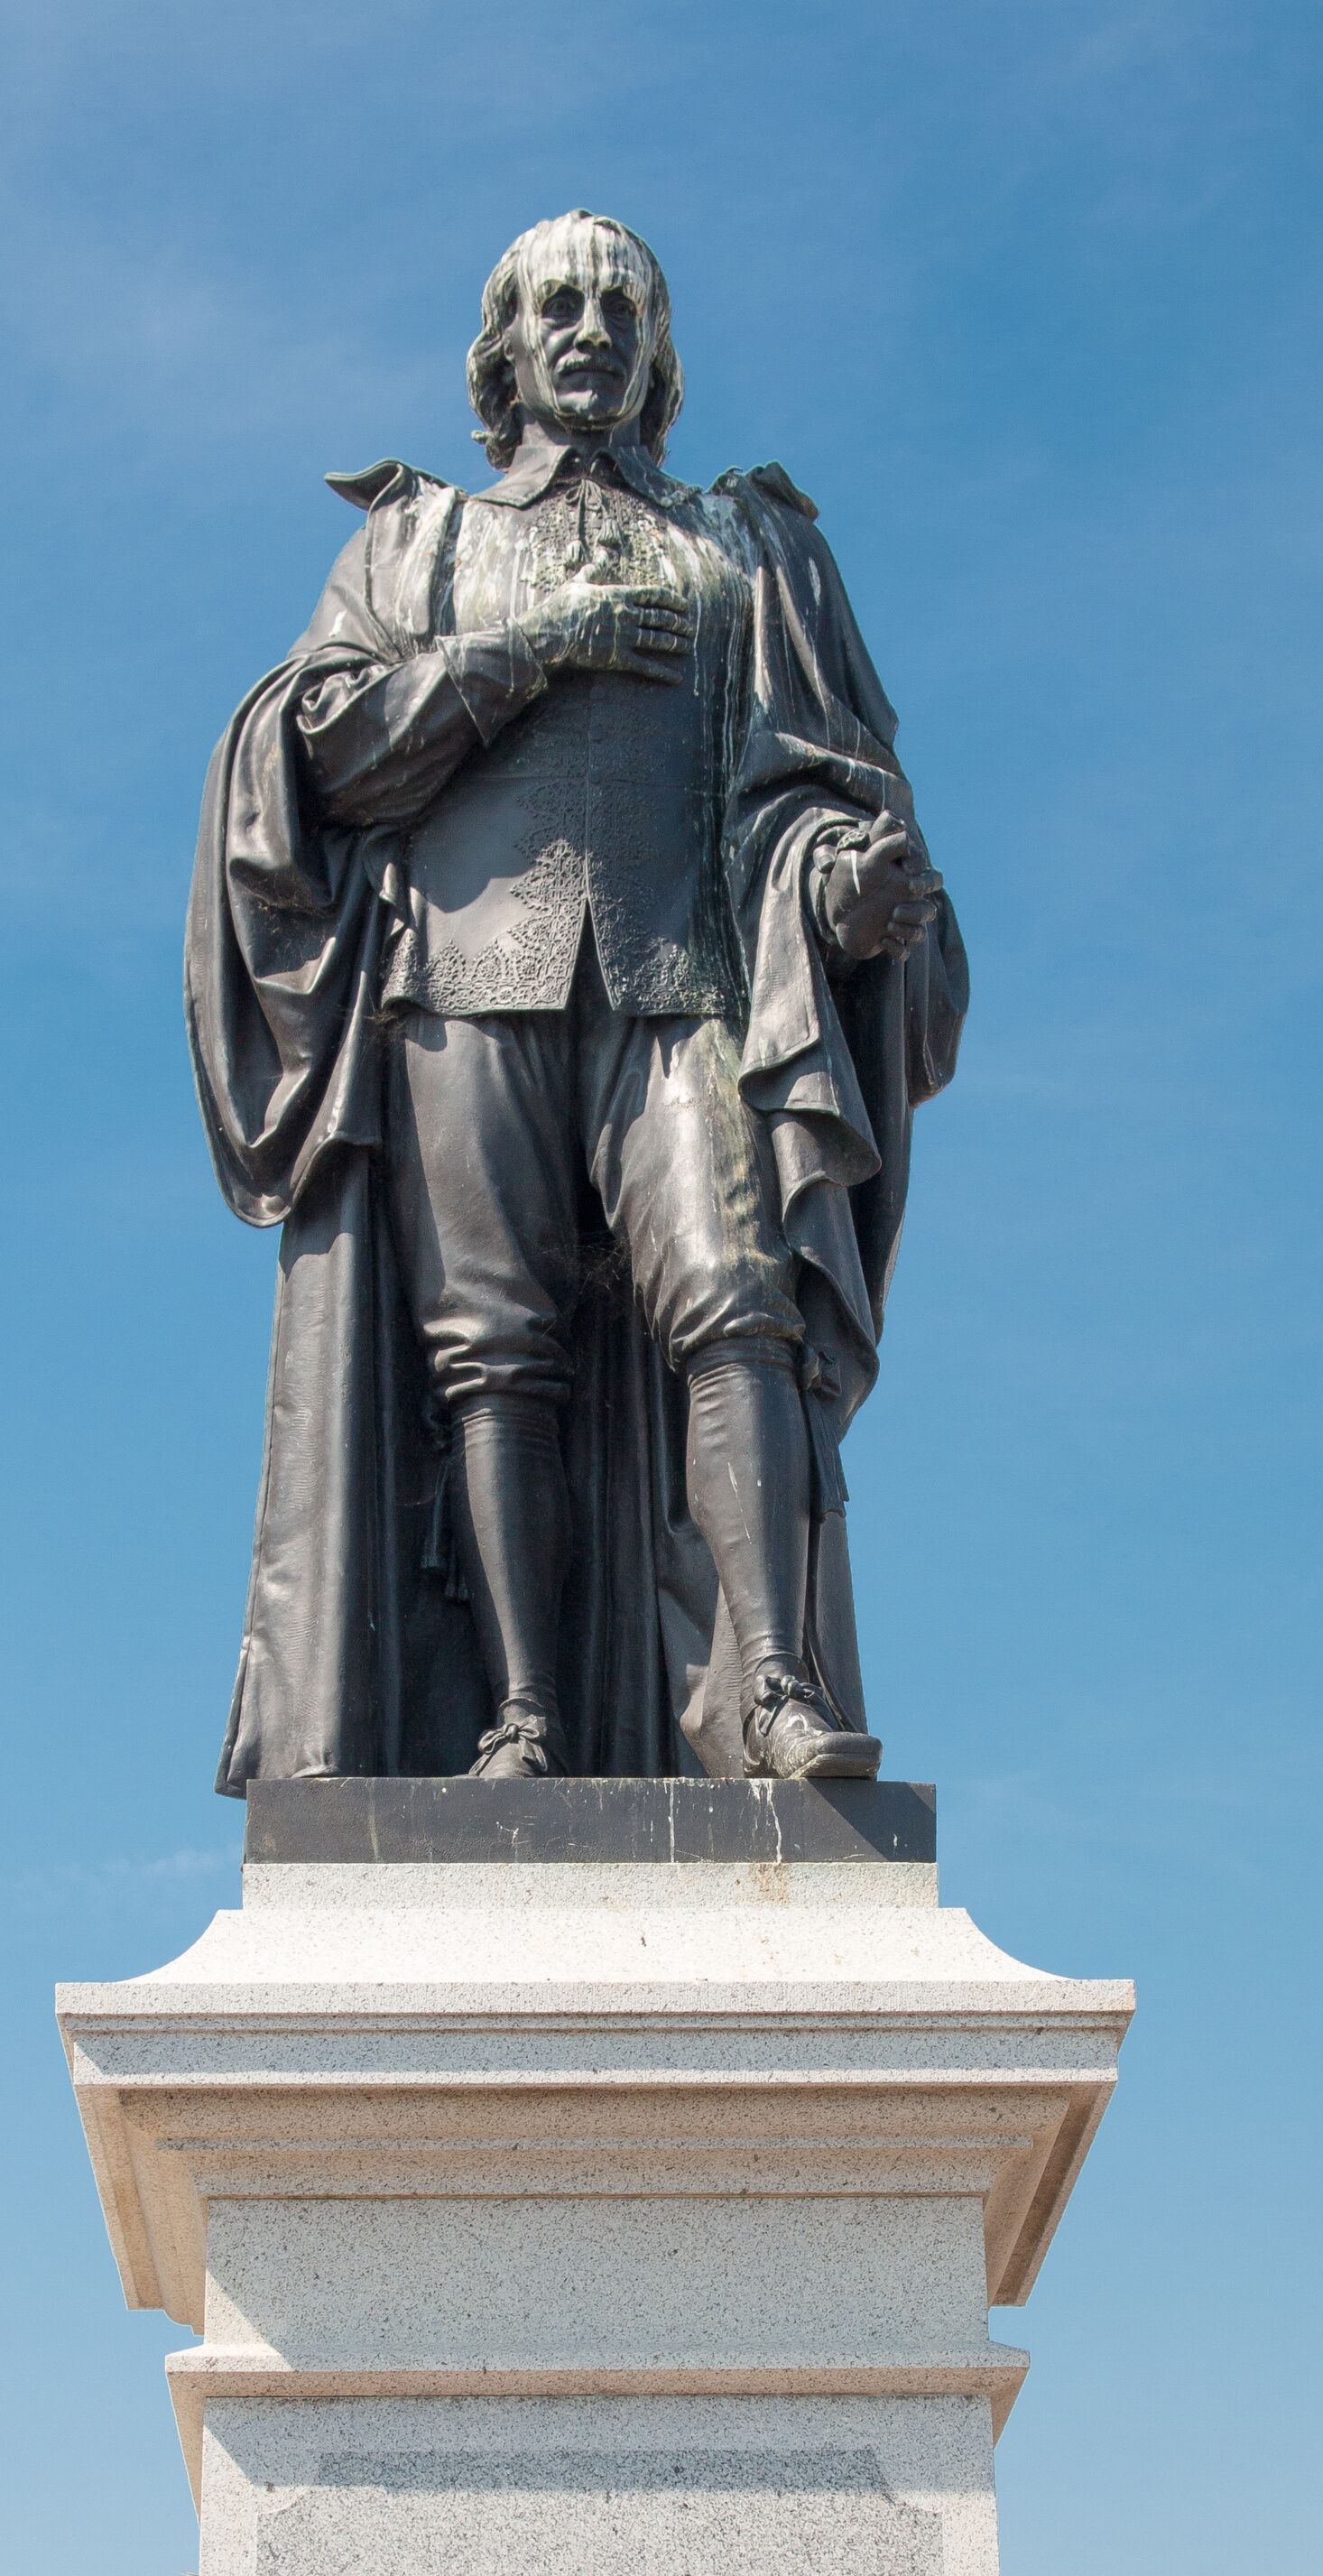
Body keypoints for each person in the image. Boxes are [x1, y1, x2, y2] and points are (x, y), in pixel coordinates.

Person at [188, 211, 967, 1785]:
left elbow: (808, 794)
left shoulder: (750, 547)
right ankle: (523, 1717)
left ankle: (774, 1692)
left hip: (684, 986)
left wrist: (843, 891)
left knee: (735, 1301)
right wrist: (536, 647)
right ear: (505, 350)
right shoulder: (422, 547)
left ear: (660, 352)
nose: (590, 326)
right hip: (461, 990)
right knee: (492, 1354)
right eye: (556, 303)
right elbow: (328, 749)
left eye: (622, 303)